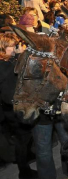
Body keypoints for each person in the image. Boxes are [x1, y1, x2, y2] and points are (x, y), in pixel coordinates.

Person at [0, 33, 38, 179]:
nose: (15, 48)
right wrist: (19, 56)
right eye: (13, 46)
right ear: (4, 47)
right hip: (13, 108)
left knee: (25, 137)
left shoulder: (9, 61)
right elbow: (11, 76)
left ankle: (26, 157)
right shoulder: (4, 65)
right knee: (22, 139)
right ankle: (24, 171)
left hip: (15, 106)